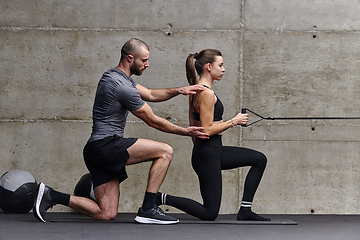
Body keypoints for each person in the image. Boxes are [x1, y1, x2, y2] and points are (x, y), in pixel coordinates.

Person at [33, 38, 209, 225]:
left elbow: (150, 94)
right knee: (165, 151)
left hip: (95, 150)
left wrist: (180, 90)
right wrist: (187, 131)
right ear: (130, 58)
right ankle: (149, 208)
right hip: (107, 145)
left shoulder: (113, 76)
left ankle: (51, 195)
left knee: (105, 212)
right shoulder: (122, 87)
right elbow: (152, 120)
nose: (147, 65)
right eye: (144, 60)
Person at [156, 49, 270, 221]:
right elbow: (207, 130)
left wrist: (203, 147)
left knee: (259, 159)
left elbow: (197, 126)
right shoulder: (207, 93)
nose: (223, 69)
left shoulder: (196, 90)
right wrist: (234, 121)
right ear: (209, 67)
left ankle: (245, 210)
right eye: (221, 65)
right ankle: (158, 198)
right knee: (209, 213)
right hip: (208, 155)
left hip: (210, 152)